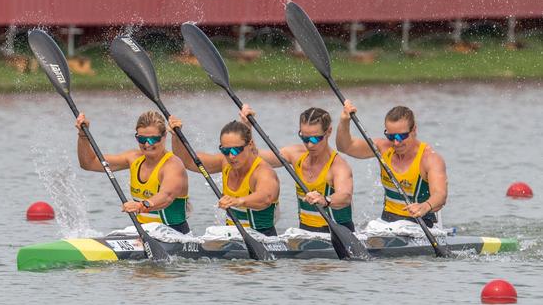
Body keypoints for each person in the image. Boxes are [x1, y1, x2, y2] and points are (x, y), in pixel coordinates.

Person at [240, 105, 355, 233]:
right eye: (304, 138)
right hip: (305, 234)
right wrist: (246, 127)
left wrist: (325, 200)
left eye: (315, 138)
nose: (310, 144)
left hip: (337, 235)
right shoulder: (295, 154)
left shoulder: (338, 166)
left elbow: (345, 196)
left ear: (328, 132)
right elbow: (255, 157)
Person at [76, 110, 191, 234]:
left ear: (164, 137)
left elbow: (167, 196)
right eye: (141, 139)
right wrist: (83, 135)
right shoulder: (133, 158)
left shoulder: (172, 165)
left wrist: (142, 205)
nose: (147, 144)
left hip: (175, 235)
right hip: (143, 233)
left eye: (153, 139)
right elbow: (89, 163)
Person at [336, 101, 448, 227]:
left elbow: (440, 195)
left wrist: (425, 206)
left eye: (401, 136)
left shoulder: (430, 159)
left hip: (421, 224)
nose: (396, 143)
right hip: (386, 222)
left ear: (414, 130)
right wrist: (344, 121)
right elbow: (345, 147)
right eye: (391, 136)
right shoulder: (383, 148)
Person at [168, 117, 280, 236]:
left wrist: (238, 201)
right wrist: (176, 137)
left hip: (263, 238)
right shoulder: (224, 163)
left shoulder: (263, 171)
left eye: (236, 150)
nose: (231, 156)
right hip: (231, 239)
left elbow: (266, 198)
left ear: (250, 144)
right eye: (225, 150)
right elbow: (187, 161)